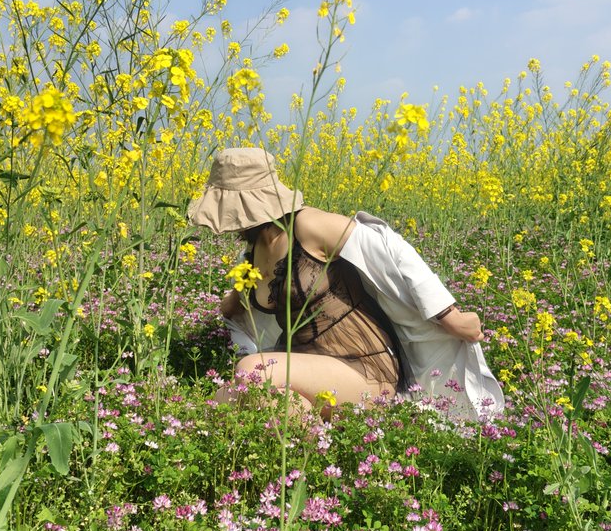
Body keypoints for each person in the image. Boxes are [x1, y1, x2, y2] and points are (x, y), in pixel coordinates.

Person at [188, 147, 504, 420]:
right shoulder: (255, 248)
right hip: (307, 365)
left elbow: (389, 250)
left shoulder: (308, 225)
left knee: (250, 371)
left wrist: (450, 317)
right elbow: (239, 303)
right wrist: (229, 310)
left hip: (361, 367)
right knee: (232, 403)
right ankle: (317, 465)